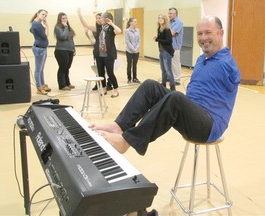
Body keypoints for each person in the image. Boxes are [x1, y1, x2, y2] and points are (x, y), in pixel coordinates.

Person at [89, 16, 241, 159]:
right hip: (192, 114)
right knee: (150, 86)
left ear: (221, 33)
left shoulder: (227, 63)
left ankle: (127, 141)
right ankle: (119, 126)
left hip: (209, 126)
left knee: (175, 98)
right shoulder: (202, 59)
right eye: (200, 33)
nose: (203, 38)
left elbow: (234, 78)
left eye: (208, 33)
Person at [77, 9, 113, 91]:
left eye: (100, 18)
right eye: (97, 18)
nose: (98, 19)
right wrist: (80, 16)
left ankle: (109, 84)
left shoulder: (108, 27)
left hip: (107, 52)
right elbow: (86, 25)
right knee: (99, 69)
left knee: (109, 70)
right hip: (98, 52)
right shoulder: (96, 28)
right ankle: (100, 84)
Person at [30, 9, 51, 95]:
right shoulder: (37, 24)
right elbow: (45, 36)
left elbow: (30, 30)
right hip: (39, 49)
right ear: (38, 14)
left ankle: (42, 84)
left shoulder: (36, 24)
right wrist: (47, 26)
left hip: (43, 48)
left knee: (41, 68)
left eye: (45, 15)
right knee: (38, 69)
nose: (44, 17)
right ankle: (39, 87)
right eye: (43, 14)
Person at [54, 12, 76, 91]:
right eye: (63, 18)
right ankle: (62, 85)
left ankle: (67, 83)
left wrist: (74, 49)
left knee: (67, 68)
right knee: (62, 68)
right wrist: (65, 27)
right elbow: (63, 36)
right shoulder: (58, 27)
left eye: (66, 18)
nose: (65, 20)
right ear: (59, 19)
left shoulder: (69, 28)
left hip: (70, 50)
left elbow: (71, 39)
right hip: (61, 51)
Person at [154, 14, 175, 91]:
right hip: (161, 51)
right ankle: (163, 86)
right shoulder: (159, 29)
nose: (160, 19)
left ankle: (173, 87)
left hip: (166, 52)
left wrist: (158, 40)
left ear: (165, 20)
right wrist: (157, 38)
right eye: (159, 18)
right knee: (163, 70)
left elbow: (169, 41)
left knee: (168, 70)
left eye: (161, 18)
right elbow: (160, 39)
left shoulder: (166, 29)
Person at [169, 7, 183, 85]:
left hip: (175, 46)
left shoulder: (178, 22)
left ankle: (177, 79)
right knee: (169, 63)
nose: (169, 15)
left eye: (170, 13)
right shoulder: (169, 22)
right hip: (169, 46)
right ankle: (171, 77)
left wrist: (163, 33)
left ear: (175, 14)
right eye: (169, 13)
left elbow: (172, 33)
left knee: (175, 63)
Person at [125, 17, 141, 84]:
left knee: (135, 65)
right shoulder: (127, 31)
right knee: (129, 64)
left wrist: (136, 48)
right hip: (129, 51)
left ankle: (135, 78)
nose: (135, 23)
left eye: (136, 21)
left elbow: (139, 40)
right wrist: (133, 49)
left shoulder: (138, 30)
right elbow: (127, 41)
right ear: (130, 22)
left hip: (136, 51)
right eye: (134, 21)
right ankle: (129, 78)